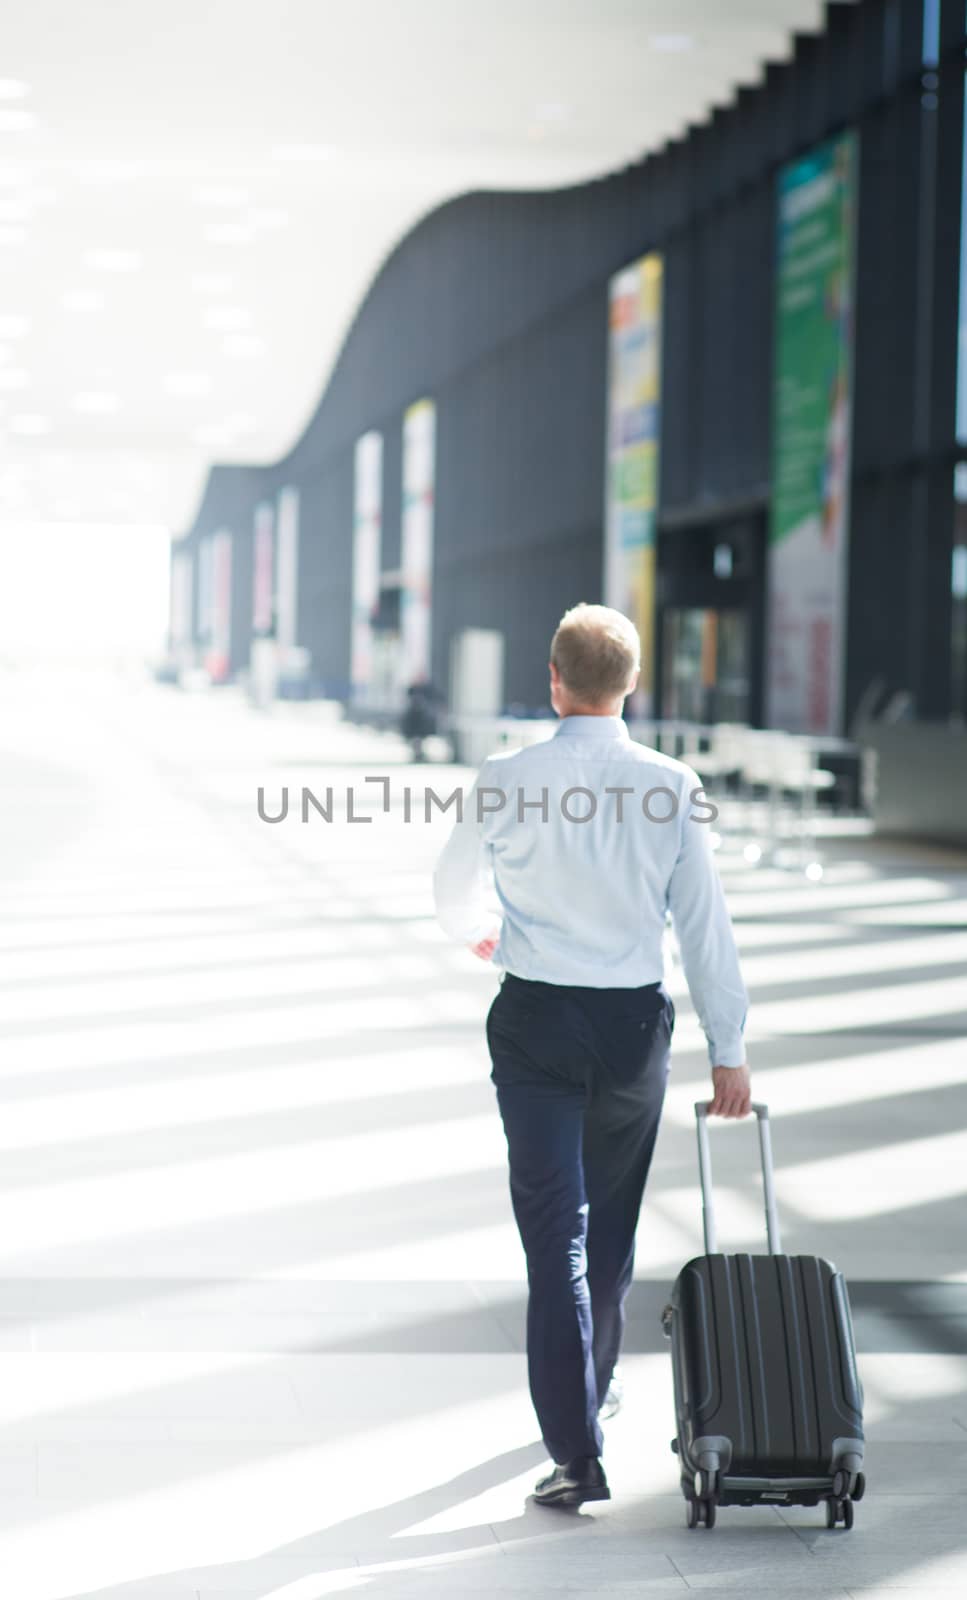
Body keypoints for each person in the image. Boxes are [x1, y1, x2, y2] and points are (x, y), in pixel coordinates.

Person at [433, 603, 750, 1508]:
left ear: (552, 679)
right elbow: (702, 927)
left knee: (553, 1239)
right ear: (633, 683)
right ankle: (593, 1387)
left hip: (535, 1021)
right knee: (608, 1232)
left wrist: (480, 933)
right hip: (628, 1030)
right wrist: (728, 1047)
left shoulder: (504, 776)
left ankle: (576, 1449)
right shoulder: (669, 783)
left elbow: (450, 891)